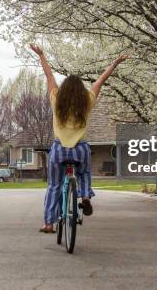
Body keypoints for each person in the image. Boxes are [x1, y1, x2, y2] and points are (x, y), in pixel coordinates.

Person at [29, 44, 127, 234]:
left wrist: (41, 55)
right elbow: (100, 81)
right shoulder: (87, 100)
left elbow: (49, 77)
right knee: (83, 174)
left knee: (54, 186)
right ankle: (85, 196)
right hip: (80, 149)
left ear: (64, 89)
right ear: (81, 90)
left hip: (59, 150)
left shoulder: (56, 98)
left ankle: (49, 223)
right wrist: (114, 64)